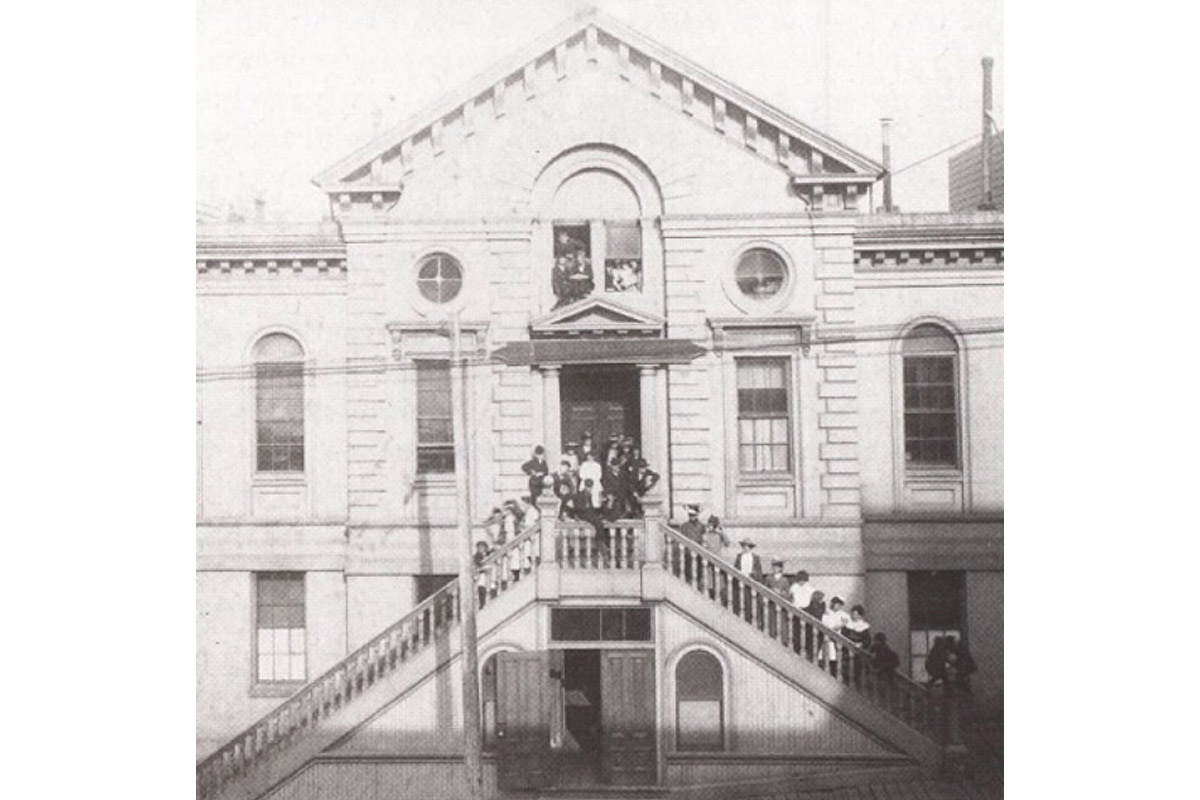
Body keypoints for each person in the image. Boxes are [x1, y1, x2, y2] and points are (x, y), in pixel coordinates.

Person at [821, 596, 851, 675]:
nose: (838, 607)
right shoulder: (826, 613)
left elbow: (849, 626)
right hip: (828, 639)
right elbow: (828, 627)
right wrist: (841, 624)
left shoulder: (843, 614)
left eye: (840, 605)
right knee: (828, 656)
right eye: (837, 604)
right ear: (833, 604)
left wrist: (844, 624)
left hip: (839, 640)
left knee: (837, 658)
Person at [473, 541, 493, 607]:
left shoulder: (487, 554)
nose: (481, 549)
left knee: (489, 586)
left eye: (483, 547)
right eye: (480, 547)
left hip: (488, 574)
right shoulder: (477, 556)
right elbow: (477, 565)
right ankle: (482, 603)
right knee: (481, 588)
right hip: (480, 574)